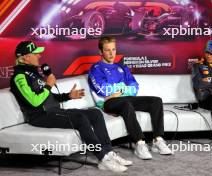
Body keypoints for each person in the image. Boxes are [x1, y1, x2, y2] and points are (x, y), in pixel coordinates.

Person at [10, 41, 132, 172]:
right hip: (40, 117)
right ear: (25, 57)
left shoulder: (34, 73)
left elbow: (48, 97)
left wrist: (68, 96)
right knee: (79, 118)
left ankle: (108, 152)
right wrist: (49, 84)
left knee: (95, 113)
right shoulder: (19, 77)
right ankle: (102, 158)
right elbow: (35, 101)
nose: (39, 55)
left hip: (54, 111)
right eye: (35, 53)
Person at [88, 36, 172, 160]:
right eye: (107, 50)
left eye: (113, 49)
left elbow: (134, 87)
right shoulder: (96, 69)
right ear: (100, 52)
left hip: (124, 99)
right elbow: (103, 90)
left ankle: (157, 140)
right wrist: (121, 89)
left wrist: (119, 90)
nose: (111, 53)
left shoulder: (122, 67)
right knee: (127, 103)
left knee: (156, 101)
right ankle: (140, 143)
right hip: (109, 103)